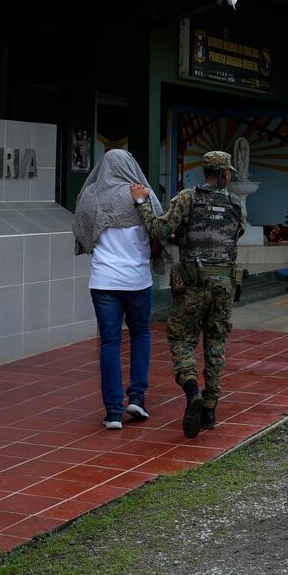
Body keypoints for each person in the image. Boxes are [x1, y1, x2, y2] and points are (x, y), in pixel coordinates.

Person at [132, 151, 244, 439]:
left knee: (182, 339)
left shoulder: (187, 198)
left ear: (205, 171)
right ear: (226, 174)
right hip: (224, 287)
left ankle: (192, 389)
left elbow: (160, 229)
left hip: (192, 285)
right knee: (216, 344)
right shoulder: (235, 204)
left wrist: (142, 203)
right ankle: (209, 410)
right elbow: (233, 234)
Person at [74, 149, 159, 430]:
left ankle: (113, 413)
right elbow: (160, 230)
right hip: (137, 281)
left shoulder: (90, 196)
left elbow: (83, 236)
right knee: (141, 335)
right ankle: (137, 398)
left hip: (103, 282)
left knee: (110, 343)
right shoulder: (142, 193)